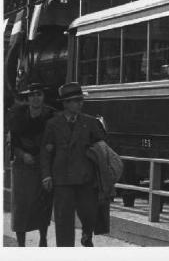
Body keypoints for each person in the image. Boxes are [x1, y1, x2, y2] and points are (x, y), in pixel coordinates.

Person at [40, 82, 106, 247]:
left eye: (81, 100)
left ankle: (87, 233)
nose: (80, 103)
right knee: (63, 221)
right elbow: (46, 152)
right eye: (76, 100)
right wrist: (46, 175)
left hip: (85, 178)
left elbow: (103, 147)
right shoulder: (53, 124)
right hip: (62, 180)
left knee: (90, 214)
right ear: (66, 104)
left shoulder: (90, 123)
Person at [9, 83, 55, 247]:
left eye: (39, 94)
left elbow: (53, 140)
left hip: (43, 166)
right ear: (28, 99)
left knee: (43, 205)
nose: (35, 98)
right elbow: (13, 144)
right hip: (22, 167)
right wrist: (23, 155)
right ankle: (21, 244)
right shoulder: (17, 116)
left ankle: (43, 240)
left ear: (43, 97)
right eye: (32, 95)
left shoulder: (51, 115)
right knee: (21, 206)